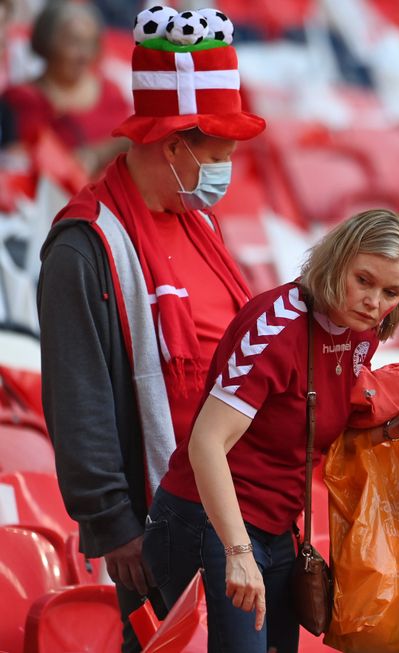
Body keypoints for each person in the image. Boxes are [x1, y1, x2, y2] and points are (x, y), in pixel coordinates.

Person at [38, 24, 265, 653]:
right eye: (216, 152)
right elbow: (77, 395)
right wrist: (112, 524)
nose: (226, 168)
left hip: (245, 510)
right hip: (162, 522)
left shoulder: (200, 220)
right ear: (172, 146)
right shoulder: (84, 246)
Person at [143, 210, 399, 653]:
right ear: (336, 260)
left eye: (391, 292)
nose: (373, 302)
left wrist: (390, 429)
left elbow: (314, 431)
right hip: (209, 520)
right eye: (363, 280)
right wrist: (238, 553)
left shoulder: (363, 331)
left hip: (278, 526)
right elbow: (207, 442)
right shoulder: (277, 326)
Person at [1, 1, 130, 176]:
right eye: (73, 42)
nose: (83, 55)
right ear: (47, 43)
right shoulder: (23, 98)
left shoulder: (112, 92)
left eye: (90, 43)